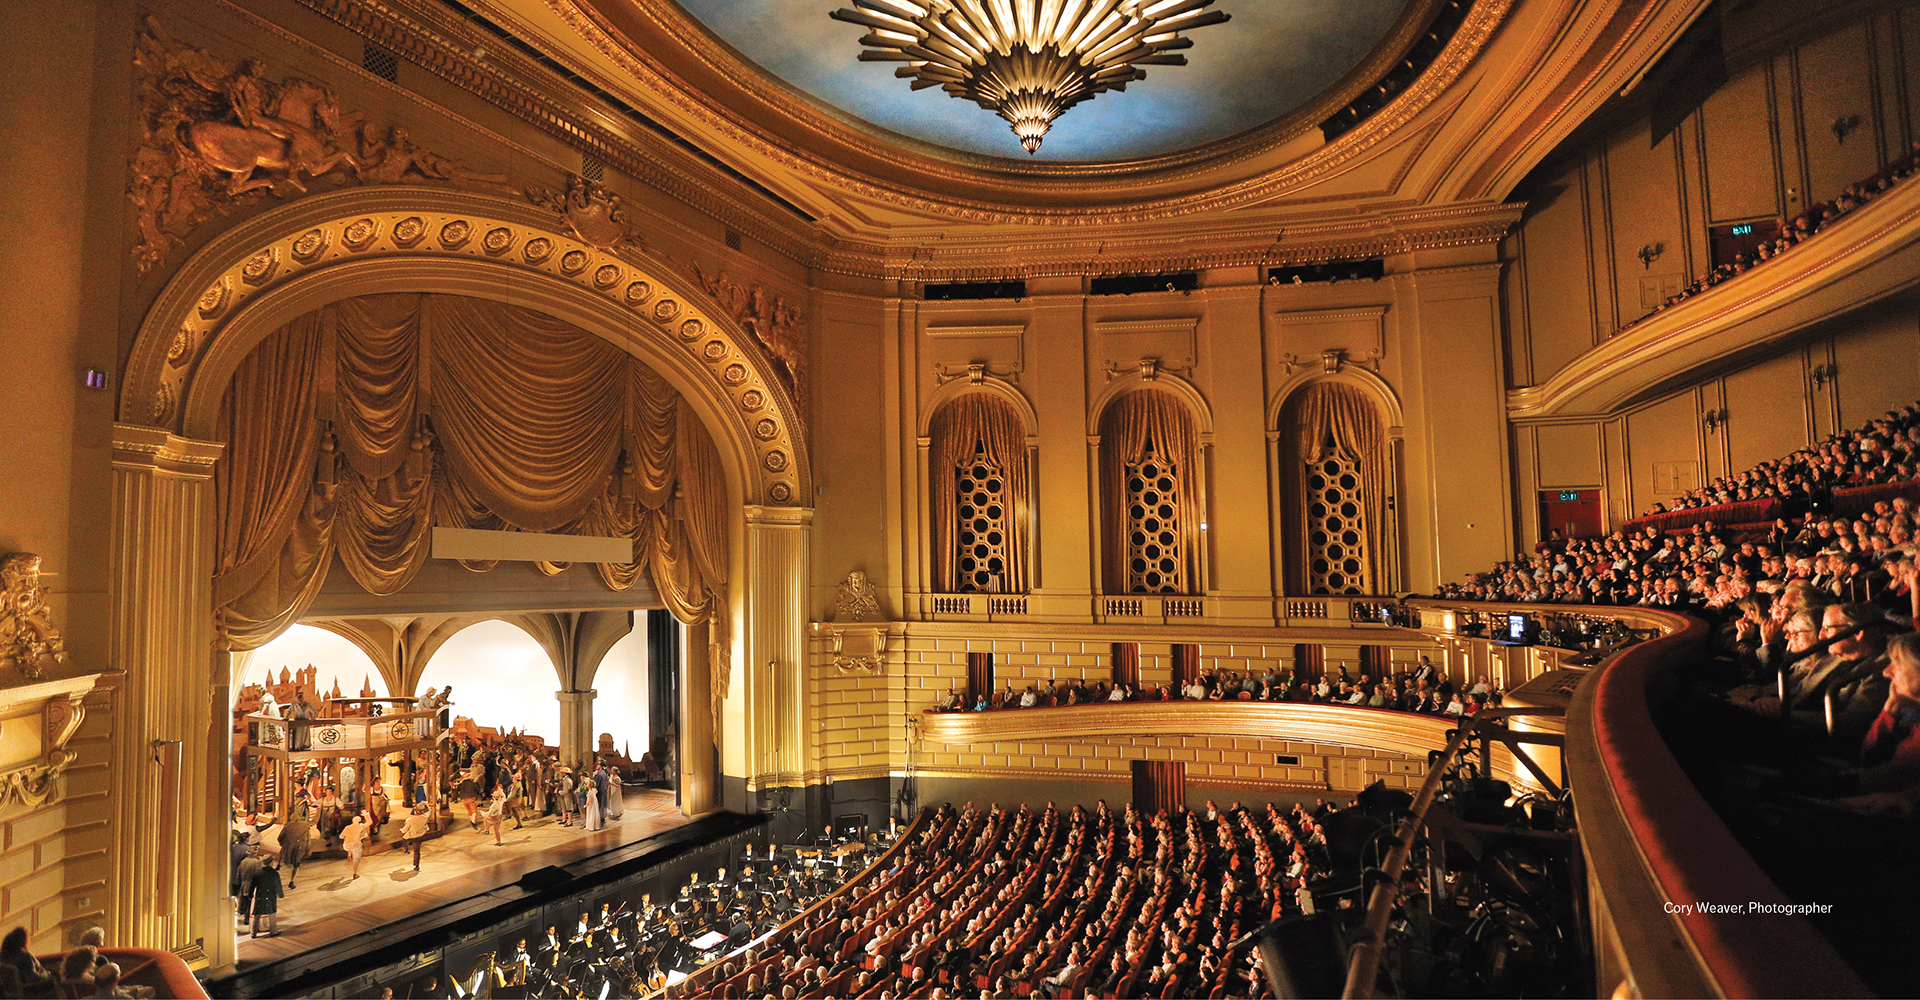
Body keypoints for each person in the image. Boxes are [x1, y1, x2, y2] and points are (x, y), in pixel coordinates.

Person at [280, 806, 312, 890]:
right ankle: (292, 881)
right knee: (296, 864)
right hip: (299, 848)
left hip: (288, 848)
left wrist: (284, 844)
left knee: (286, 863)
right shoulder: (304, 826)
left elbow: (280, 838)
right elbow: (308, 838)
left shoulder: (287, 827)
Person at [250, 857, 283, 937]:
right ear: (271, 863)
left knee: (257, 914)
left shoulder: (257, 874)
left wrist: (250, 895)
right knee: (272, 914)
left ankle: (253, 933)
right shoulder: (274, 873)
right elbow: (277, 885)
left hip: (260, 895)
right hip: (270, 895)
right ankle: (273, 931)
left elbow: (252, 886)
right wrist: (280, 895)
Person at [399, 804, 431, 871]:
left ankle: (406, 849)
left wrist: (402, 830)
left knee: (405, 838)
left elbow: (405, 828)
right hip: (420, 835)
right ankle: (417, 866)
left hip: (412, 835)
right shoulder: (424, 817)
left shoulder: (411, 819)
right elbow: (426, 826)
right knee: (417, 851)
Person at [342, 813, 371, 880]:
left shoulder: (347, 827)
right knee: (356, 860)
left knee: (350, 845)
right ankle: (355, 873)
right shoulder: (360, 827)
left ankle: (349, 853)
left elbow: (341, 836)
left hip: (346, 845)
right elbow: (369, 822)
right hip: (355, 845)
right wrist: (366, 814)